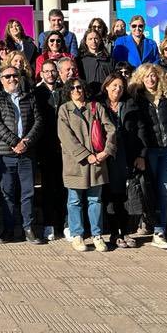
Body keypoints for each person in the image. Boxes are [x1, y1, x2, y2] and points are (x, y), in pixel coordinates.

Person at [58, 77, 116, 253]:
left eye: (79, 87)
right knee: (74, 200)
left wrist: (106, 151)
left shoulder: (96, 107)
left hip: (98, 161)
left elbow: (111, 129)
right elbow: (66, 137)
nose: (77, 91)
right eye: (73, 88)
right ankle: (77, 235)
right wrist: (85, 155)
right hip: (76, 163)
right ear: (68, 91)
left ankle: (97, 235)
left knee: (95, 199)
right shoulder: (64, 110)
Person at [0, 64, 44, 244]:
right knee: (7, 193)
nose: (12, 79)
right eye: (8, 76)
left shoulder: (30, 98)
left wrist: (26, 142)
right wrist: (14, 142)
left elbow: (39, 121)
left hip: (27, 153)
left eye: (15, 76)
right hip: (6, 153)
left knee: (27, 192)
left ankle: (28, 228)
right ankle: (9, 229)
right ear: (1, 80)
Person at [128, 64, 167, 249]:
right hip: (150, 150)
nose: (151, 79)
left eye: (154, 76)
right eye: (147, 76)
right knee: (150, 190)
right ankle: (151, 224)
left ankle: (160, 231)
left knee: (165, 190)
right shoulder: (137, 99)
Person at [100, 71, 149, 249]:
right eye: (114, 86)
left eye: (121, 86)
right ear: (106, 87)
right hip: (106, 156)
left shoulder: (129, 104)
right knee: (111, 196)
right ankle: (114, 233)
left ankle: (126, 231)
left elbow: (141, 131)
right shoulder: (99, 105)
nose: (118, 89)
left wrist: (141, 154)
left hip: (126, 156)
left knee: (125, 196)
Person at [34, 60, 66, 238]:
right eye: (46, 71)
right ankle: (49, 224)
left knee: (64, 187)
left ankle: (64, 224)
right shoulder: (37, 93)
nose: (50, 74)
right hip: (46, 146)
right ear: (41, 74)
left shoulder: (64, 92)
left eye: (53, 71)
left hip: (64, 146)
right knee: (48, 187)